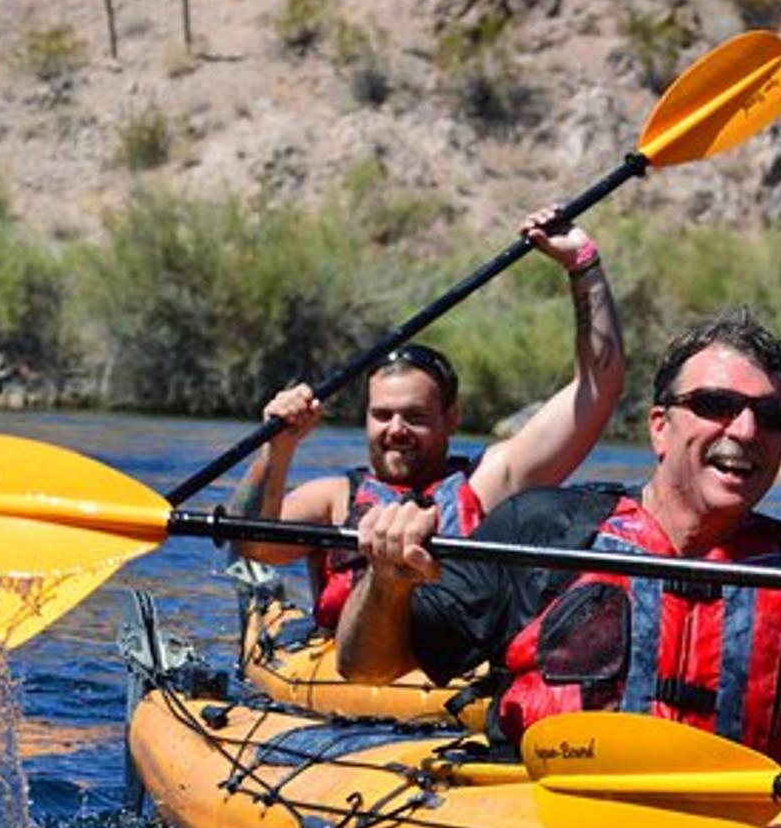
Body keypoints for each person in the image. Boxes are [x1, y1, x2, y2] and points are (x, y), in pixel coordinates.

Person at [335, 309, 781, 762]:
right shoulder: (541, 530)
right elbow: (367, 665)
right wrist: (386, 581)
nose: (745, 430)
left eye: (770, 415)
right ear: (660, 426)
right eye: (716, 405)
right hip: (543, 819)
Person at [228, 206, 625, 630]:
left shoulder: (491, 483)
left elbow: (597, 387)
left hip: (451, 666)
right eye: (382, 415)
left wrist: (582, 263)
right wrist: (277, 448)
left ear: (452, 418)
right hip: (346, 662)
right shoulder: (333, 500)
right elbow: (251, 545)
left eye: (415, 416)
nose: (396, 429)